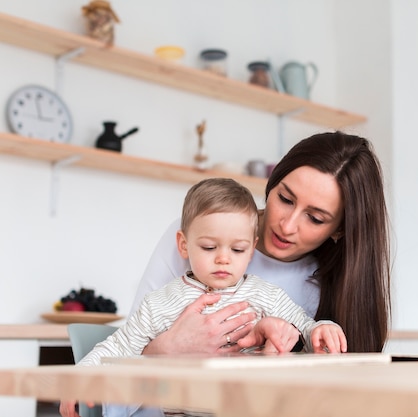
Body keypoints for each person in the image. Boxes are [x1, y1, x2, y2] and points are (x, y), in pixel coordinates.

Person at [59, 178, 346, 417]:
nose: (223, 259)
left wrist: (321, 328)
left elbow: (304, 326)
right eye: (209, 247)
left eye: (237, 250)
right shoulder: (161, 302)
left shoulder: (263, 294)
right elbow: (118, 346)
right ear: (184, 245)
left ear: (252, 248)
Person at [134, 131, 391, 355]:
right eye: (285, 199)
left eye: (314, 218)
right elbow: (126, 347)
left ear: (340, 230)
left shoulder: (330, 286)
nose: (287, 226)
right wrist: (170, 348)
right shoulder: (199, 233)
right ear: (272, 184)